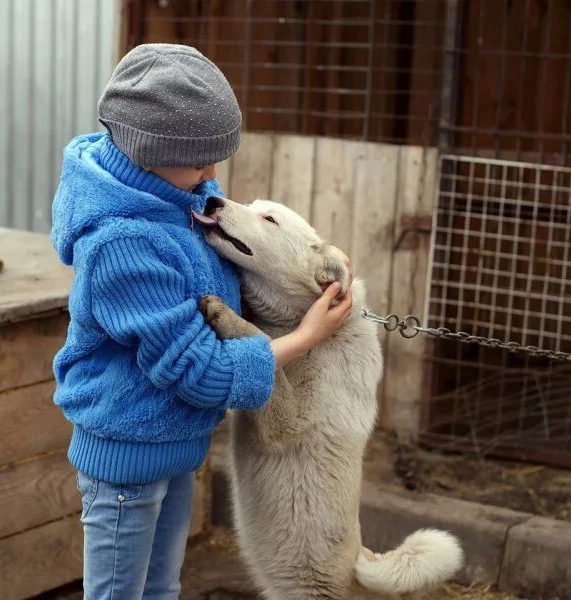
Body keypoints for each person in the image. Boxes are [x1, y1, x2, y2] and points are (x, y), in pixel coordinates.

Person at [50, 44, 353, 599]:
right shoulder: (122, 245)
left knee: (162, 588)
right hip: (126, 460)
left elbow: (236, 256)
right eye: (200, 161)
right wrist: (306, 338)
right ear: (148, 150)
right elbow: (198, 368)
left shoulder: (179, 194)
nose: (213, 175)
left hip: (175, 446)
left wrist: (314, 269)